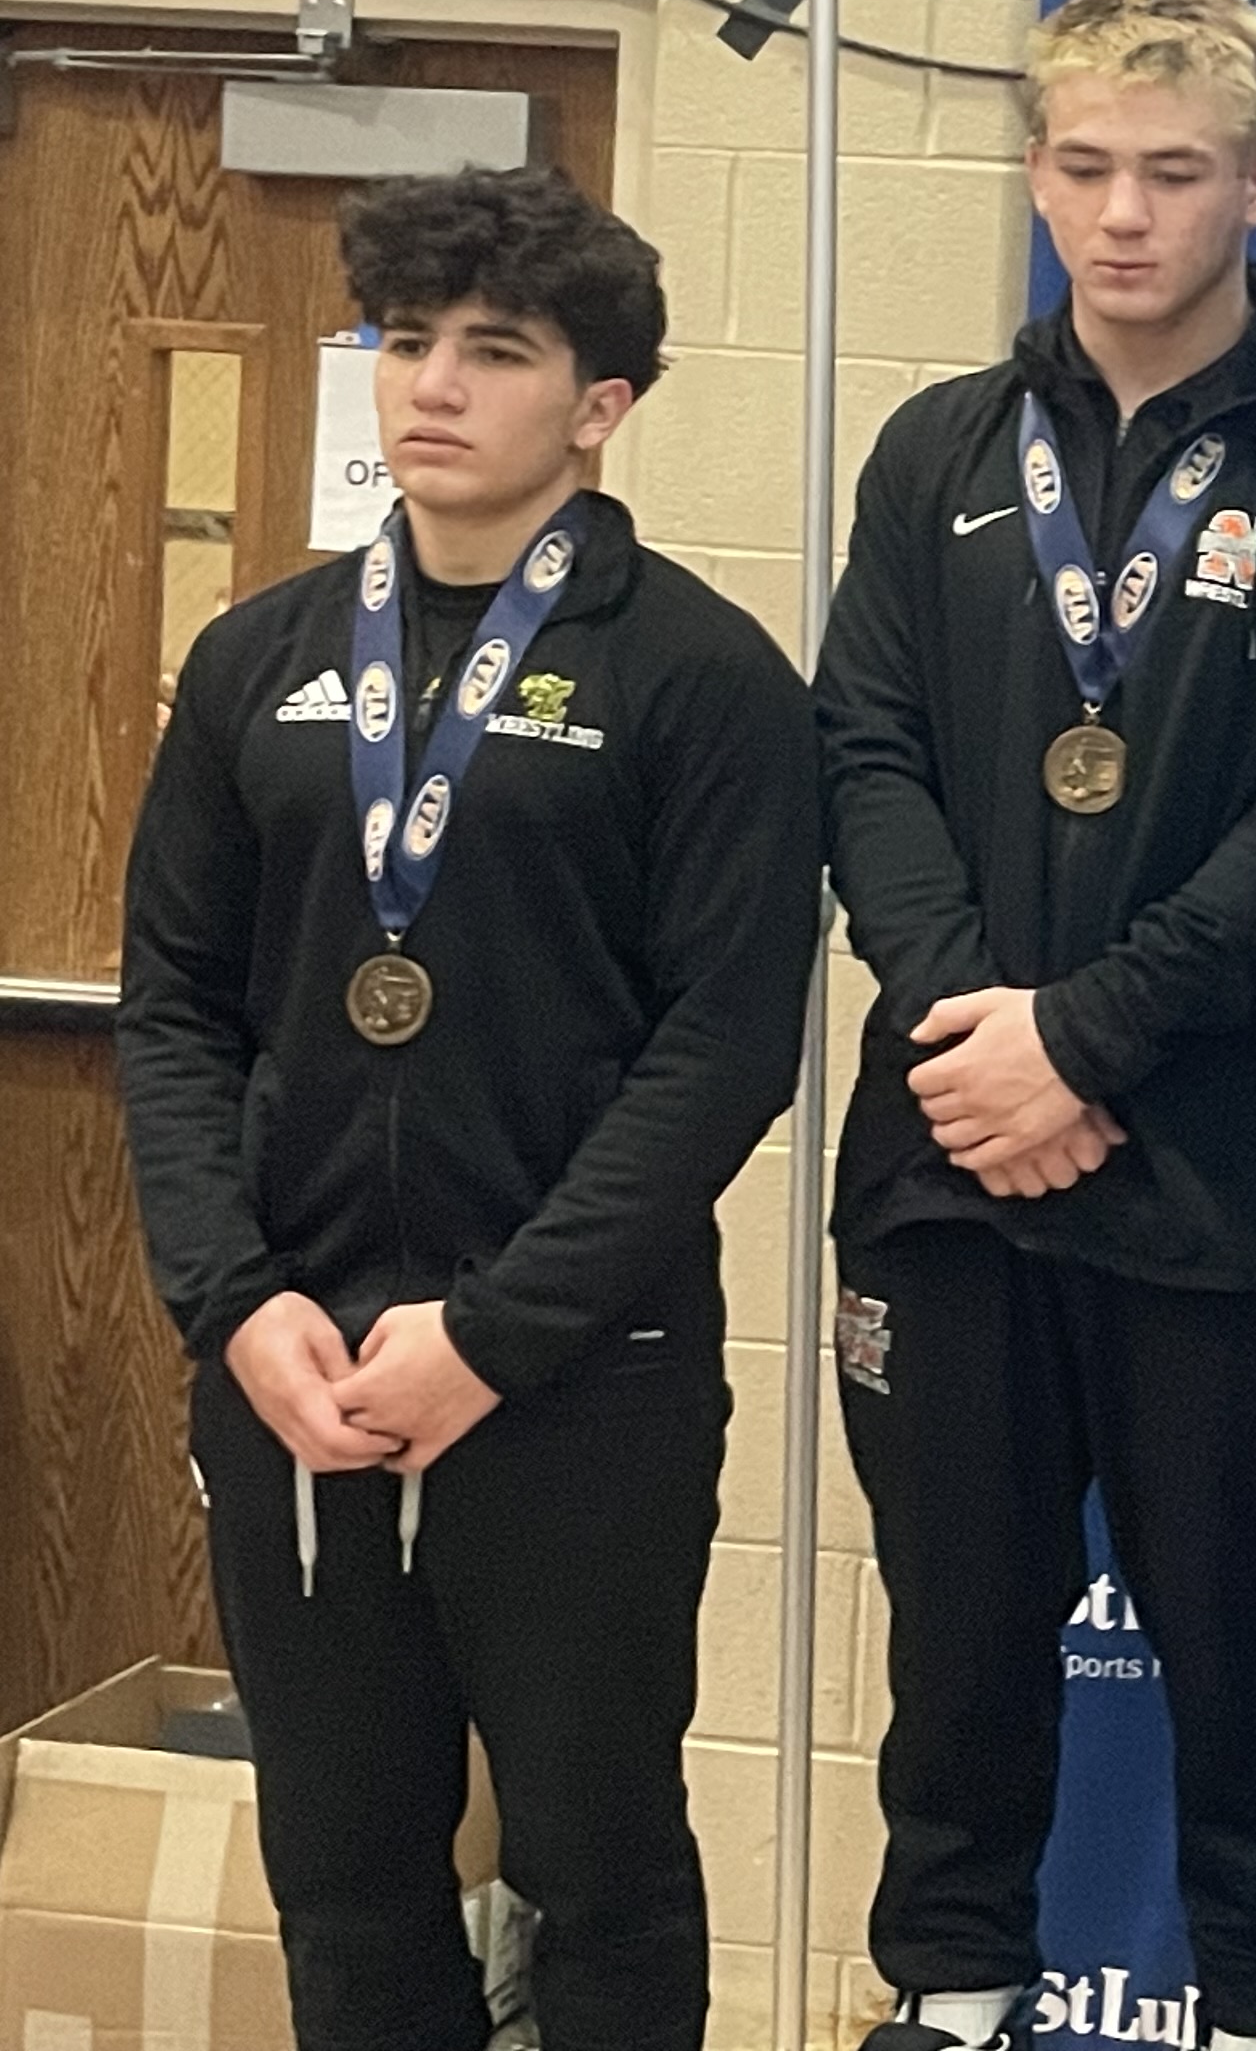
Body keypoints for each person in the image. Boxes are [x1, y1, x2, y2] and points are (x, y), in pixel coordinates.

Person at [116, 166, 817, 2051]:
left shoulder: (700, 679)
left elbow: (727, 1047)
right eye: (404, 341)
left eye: (492, 352)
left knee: (597, 1869)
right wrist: (234, 1303)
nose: (429, 384)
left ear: (599, 405)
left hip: (581, 1374)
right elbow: (172, 1011)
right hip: (295, 1373)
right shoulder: (259, 664)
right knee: (346, 1878)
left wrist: (499, 1334)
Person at [817, 0, 1256, 2051]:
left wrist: (1092, 1038)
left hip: (1212, 1162)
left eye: (1174, 173)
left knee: (1239, 1642)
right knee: (957, 1641)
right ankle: (949, 1994)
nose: (1122, 215)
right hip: (953, 1157)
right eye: (1083, 168)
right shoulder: (938, 448)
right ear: (1036, 171)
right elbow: (863, 748)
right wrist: (982, 1037)